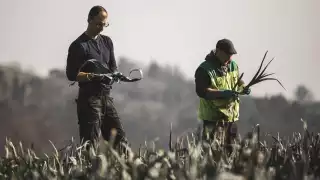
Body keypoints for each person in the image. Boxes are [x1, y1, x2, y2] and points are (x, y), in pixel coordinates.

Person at [65, 5, 128, 150]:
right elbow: (71, 75)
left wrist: (117, 75)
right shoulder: (78, 46)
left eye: (104, 24)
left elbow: (113, 66)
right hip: (89, 101)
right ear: (89, 20)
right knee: (90, 145)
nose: (102, 28)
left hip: (106, 98)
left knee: (121, 141)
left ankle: (122, 171)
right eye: (98, 24)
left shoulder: (107, 42)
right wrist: (94, 76)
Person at [194, 39, 251, 152]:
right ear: (218, 51)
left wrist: (243, 88)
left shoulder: (233, 66)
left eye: (231, 55)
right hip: (212, 119)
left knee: (231, 153)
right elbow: (202, 92)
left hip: (230, 118)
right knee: (210, 153)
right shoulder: (204, 69)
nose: (230, 58)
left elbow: (238, 82)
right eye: (227, 54)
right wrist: (222, 94)